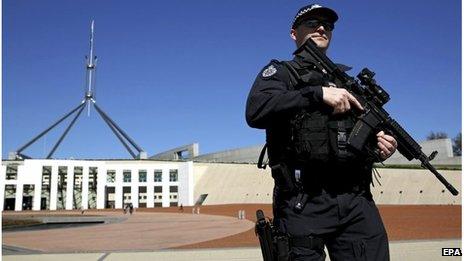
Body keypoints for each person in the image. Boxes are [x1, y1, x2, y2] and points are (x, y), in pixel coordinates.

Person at [246, 4, 398, 261]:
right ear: (294, 33)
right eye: (312, 23)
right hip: (303, 201)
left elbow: (358, 137)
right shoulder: (282, 73)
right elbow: (256, 111)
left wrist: (381, 146)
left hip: (355, 200)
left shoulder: (348, 83)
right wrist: (316, 94)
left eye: (327, 25)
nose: (321, 28)